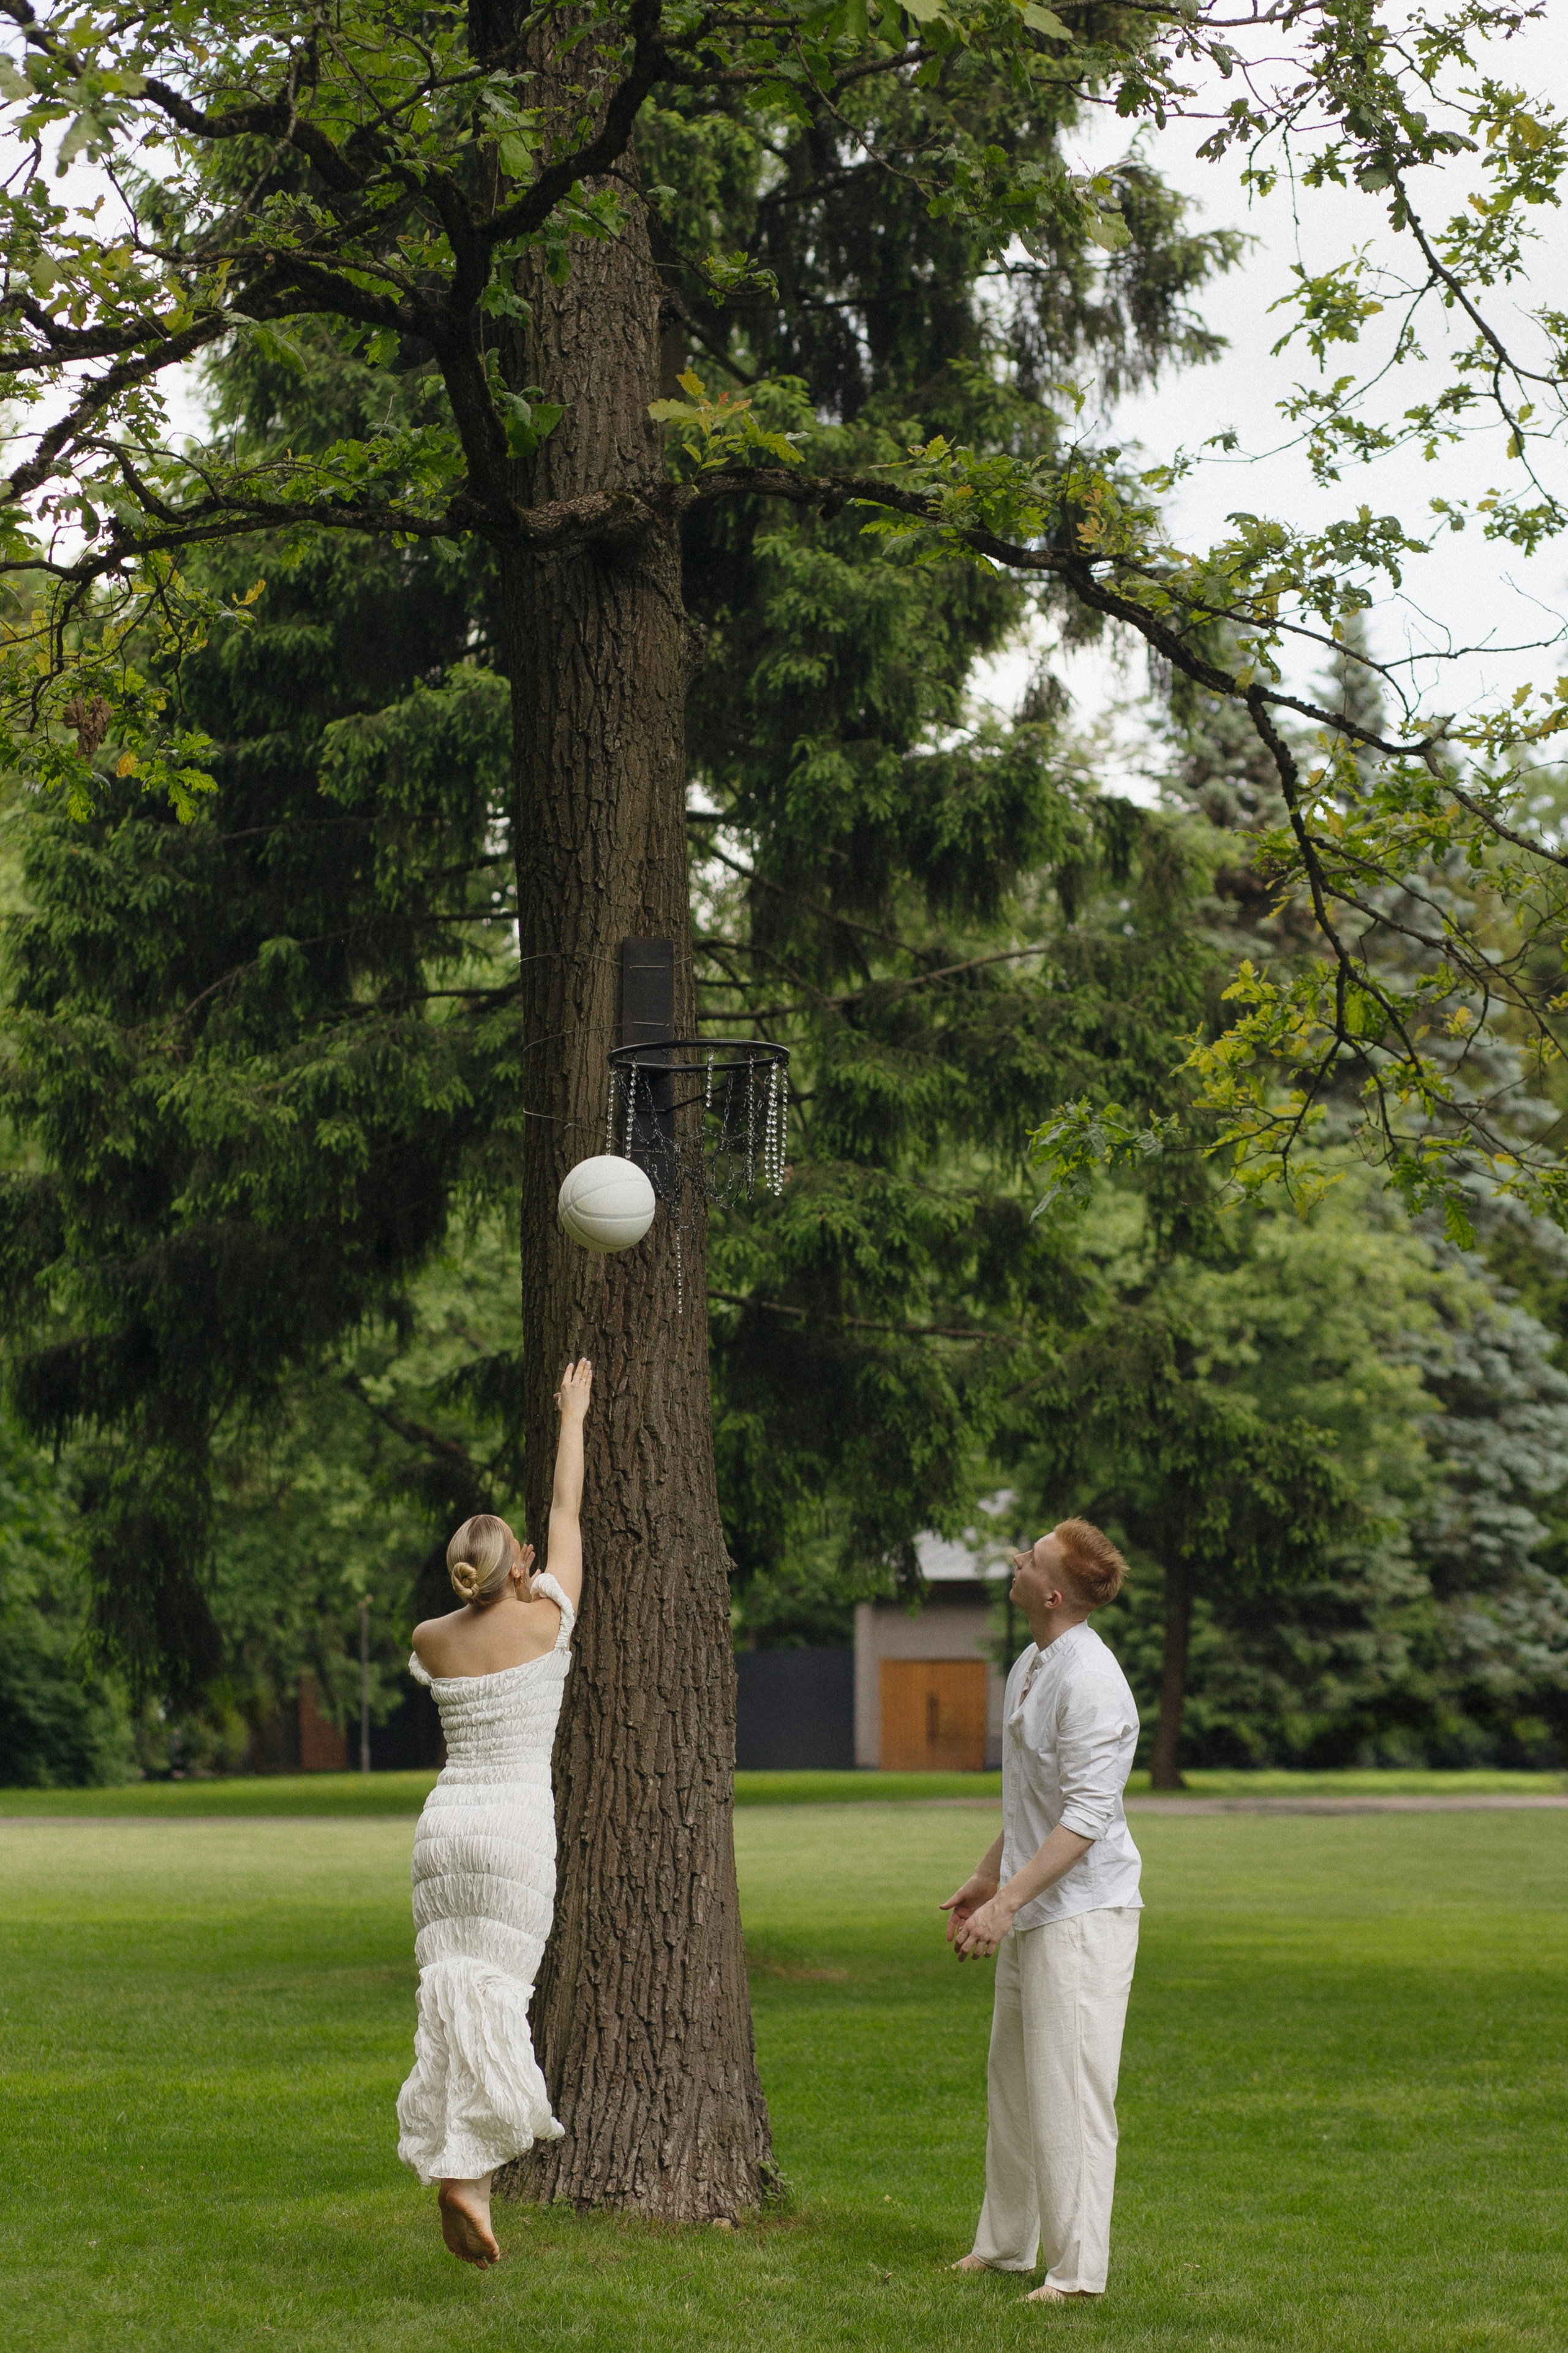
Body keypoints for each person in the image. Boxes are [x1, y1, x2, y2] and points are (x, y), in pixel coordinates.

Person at [394, 1358, 594, 2268]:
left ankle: (462, 2173)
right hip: (514, 1826)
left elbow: (507, 1563)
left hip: (445, 1831)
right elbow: (568, 1513)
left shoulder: (432, 1639)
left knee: (450, 1997)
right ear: (521, 1565)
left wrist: (489, 1577)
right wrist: (572, 1416)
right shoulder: (548, 1616)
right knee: (499, 1996)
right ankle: (473, 2174)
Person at [941, 1518, 1142, 2306]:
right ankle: (1002, 2248)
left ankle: (1078, 2274)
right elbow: (1032, 1798)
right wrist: (986, 1879)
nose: (1016, 1559)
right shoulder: (1032, 1660)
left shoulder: (1092, 1680)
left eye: (1032, 1557)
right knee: (1016, 2083)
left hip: (1085, 1916)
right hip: (1034, 1905)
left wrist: (1009, 1904)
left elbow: (1087, 1818)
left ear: (1052, 1592)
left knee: (1071, 2091)